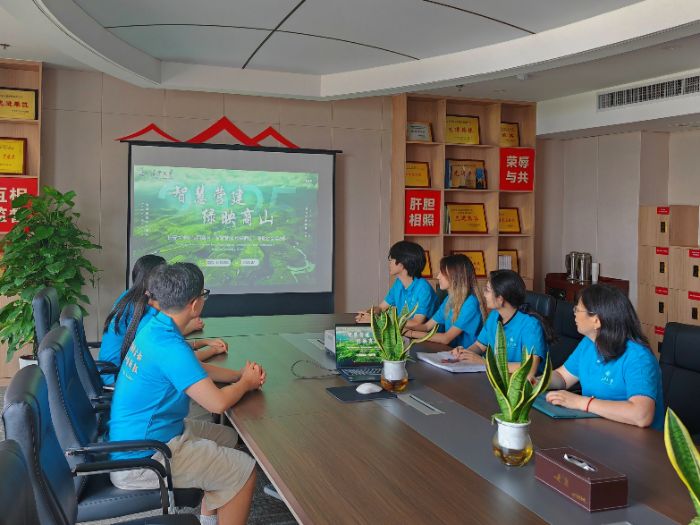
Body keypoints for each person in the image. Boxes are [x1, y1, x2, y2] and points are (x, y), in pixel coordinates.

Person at [108, 262, 265, 525]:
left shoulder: (157, 327)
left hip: (148, 436)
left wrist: (239, 375)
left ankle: (207, 520)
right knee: (244, 471)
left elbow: (192, 369)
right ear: (194, 305)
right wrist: (246, 384)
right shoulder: (168, 345)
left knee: (228, 438)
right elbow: (217, 404)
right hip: (144, 458)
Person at [545, 284, 663, 429]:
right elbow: (563, 377)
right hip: (596, 429)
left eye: (578, 309)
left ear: (596, 320)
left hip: (634, 439)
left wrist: (581, 402)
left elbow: (642, 415)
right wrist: (536, 381)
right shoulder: (588, 343)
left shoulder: (638, 357)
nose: (574, 313)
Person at [100, 255, 216, 385]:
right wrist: (212, 350)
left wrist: (200, 342)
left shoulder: (129, 296)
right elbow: (177, 358)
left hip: (117, 371)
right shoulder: (145, 312)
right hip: (118, 376)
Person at [452, 270, 553, 378]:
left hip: (522, 384)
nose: (484, 294)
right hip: (496, 378)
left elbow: (530, 368)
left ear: (500, 299)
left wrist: (485, 363)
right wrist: (464, 353)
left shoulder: (530, 325)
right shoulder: (494, 315)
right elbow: (480, 346)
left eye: (488, 290)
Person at [405, 254, 485, 347]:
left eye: (442, 273)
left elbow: (446, 338)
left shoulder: (470, 303)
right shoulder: (449, 299)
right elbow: (426, 327)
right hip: (451, 352)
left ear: (455, 277)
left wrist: (410, 333)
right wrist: (401, 325)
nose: (438, 277)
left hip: (466, 354)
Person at [355, 240, 437, 327]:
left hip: (425, 335)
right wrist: (369, 314)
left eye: (391, 260)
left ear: (402, 263)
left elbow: (416, 323)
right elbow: (381, 308)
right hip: (405, 332)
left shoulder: (423, 289)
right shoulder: (399, 283)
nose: (389, 263)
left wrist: (378, 320)